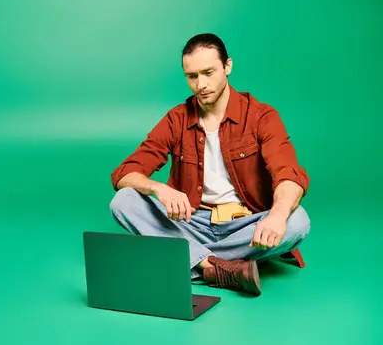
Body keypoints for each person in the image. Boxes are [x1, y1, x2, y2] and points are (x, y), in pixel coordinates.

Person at [109, 33, 311, 296]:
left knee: (297, 221)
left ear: (227, 67)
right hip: (191, 221)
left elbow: (289, 175)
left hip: (245, 223)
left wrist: (276, 215)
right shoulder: (176, 119)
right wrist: (161, 189)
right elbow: (124, 173)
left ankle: (189, 257)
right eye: (192, 76)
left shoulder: (261, 116)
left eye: (208, 73)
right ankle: (215, 267)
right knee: (123, 201)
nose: (200, 84)